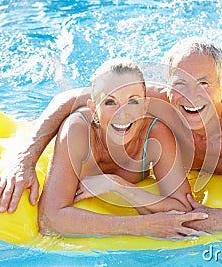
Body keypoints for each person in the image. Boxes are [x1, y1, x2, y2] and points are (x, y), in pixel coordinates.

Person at [0, 37, 222, 234]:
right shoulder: (148, 99)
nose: (190, 96)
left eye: (204, 84)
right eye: (180, 83)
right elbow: (67, 100)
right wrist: (24, 160)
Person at [37, 58, 209, 237]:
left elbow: (184, 209)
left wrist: (118, 186)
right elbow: (49, 219)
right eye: (110, 102)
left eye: (133, 101)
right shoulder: (77, 130)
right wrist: (141, 226)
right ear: (94, 110)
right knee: (64, 84)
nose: (122, 113)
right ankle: (58, 71)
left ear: (145, 106)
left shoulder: (155, 134)